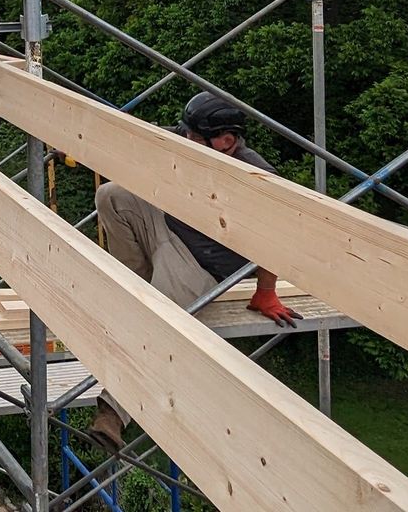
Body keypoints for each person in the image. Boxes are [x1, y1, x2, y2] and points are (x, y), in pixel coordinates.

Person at [89, 90, 299, 450]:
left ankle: (113, 411)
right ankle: (135, 285)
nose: (185, 141)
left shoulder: (257, 179)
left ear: (226, 142)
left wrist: (265, 290)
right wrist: (85, 143)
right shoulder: (193, 140)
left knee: (158, 327)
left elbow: (275, 241)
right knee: (112, 195)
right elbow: (144, 138)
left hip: (198, 263)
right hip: (164, 227)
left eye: (193, 138)